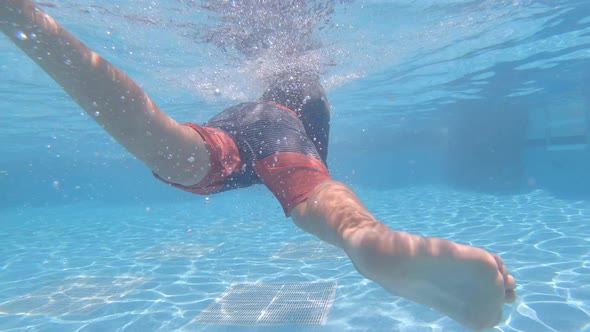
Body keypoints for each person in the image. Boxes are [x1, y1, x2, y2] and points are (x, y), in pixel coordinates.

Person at [0, 1, 515, 330]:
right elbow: (308, 177)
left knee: (160, 140)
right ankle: (368, 240)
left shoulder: (270, 103)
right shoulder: (305, 105)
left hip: (236, 127)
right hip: (278, 132)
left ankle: (27, 21)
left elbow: (264, 125)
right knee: (322, 207)